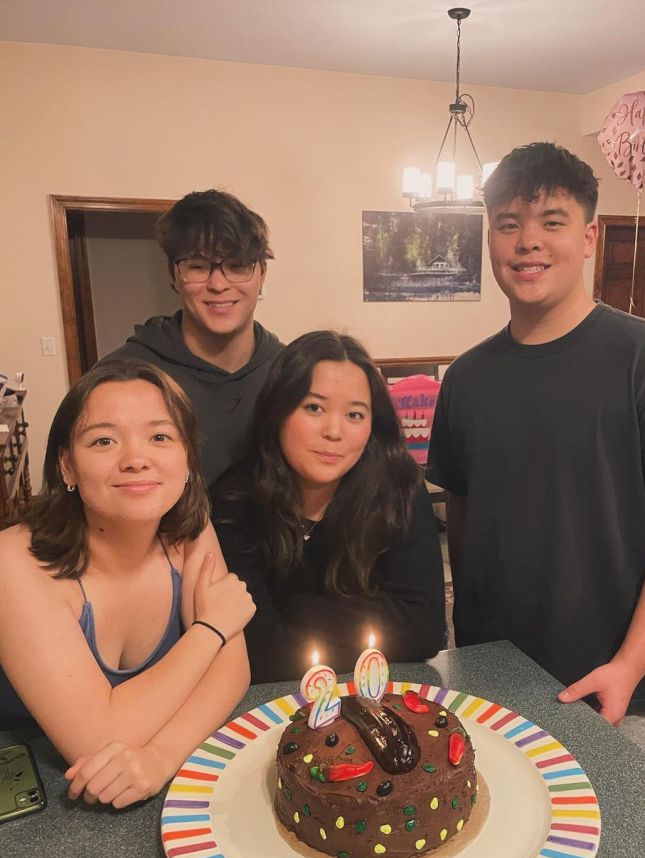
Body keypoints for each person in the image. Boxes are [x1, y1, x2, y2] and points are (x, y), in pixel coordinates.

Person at [426, 141, 645, 759]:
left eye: (552, 222)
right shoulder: (466, 378)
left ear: (591, 235)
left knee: (615, 853)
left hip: (612, 684)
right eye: (508, 224)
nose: (528, 242)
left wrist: (627, 665)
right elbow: (461, 524)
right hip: (493, 678)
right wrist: (468, 651)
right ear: (489, 238)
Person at [0, 359, 255, 807]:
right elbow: (95, 739)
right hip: (31, 796)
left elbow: (233, 671)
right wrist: (211, 630)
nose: (136, 459)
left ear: (188, 459)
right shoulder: (13, 561)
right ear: (67, 466)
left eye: (160, 436)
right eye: (103, 440)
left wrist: (160, 756)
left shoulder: (187, 527)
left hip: (141, 794)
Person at [213, 331, 446, 682]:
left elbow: (424, 632)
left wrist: (296, 608)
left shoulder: (399, 490)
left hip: (383, 700)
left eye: (355, 415)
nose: (334, 431)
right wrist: (372, 626)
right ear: (278, 410)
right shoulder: (235, 501)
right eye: (314, 408)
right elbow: (258, 654)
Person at [102, 189, 283, 487]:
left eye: (237, 266)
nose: (219, 284)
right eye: (198, 267)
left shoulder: (290, 373)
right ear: (175, 275)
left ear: (261, 274)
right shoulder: (123, 376)